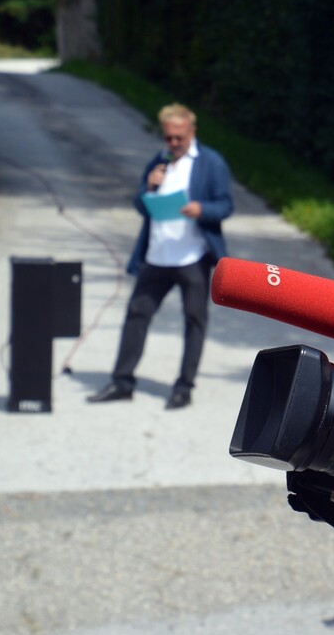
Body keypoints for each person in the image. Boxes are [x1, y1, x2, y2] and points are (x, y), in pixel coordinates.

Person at [88, 103, 234, 409]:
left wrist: (201, 209)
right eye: (168, 138)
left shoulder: (211, 163)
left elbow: (225, 205)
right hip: (156, 256)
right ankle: (122, 382)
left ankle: (184, 387)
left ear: (192, 132)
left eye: (179, 138)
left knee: (195, 320)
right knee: (136, 315)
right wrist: (148, 189)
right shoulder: (160, 161)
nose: (173, 144)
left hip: (192, 257)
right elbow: (141, 206)